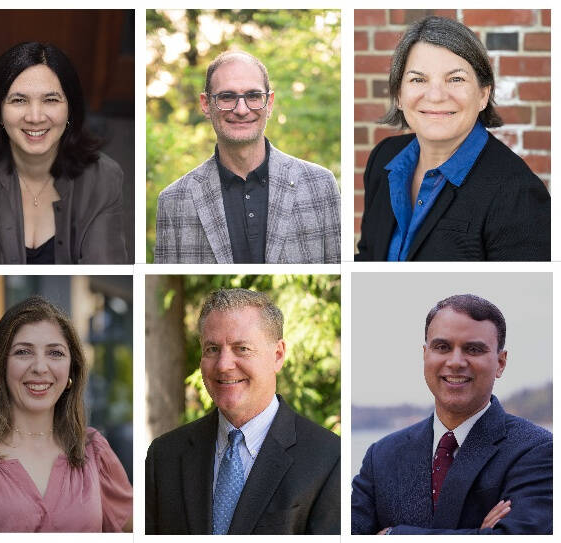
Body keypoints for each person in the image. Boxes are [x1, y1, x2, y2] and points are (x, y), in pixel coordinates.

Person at [351, 294, 552, 534]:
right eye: (442, 347)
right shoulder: (381, 457)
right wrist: (479, 534)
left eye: (473, 349)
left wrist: (394, 535)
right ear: (425, 354)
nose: (456, 362)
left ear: (500, 362)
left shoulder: (537, 450)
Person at [146, 288, 340, 534]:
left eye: (242, 349)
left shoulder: (328, 458)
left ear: (278, 355)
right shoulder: (164, 456)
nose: (224, 365)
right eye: (212, 349)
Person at [355, 16, 550, 261]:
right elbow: (368, 255)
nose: (436, 96)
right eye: (418, 79)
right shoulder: (384, 158)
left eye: (455, 79)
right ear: (398, 96)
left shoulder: (517, 193)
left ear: (483, 94)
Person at [0, 296, 133, 532]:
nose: (40, 367)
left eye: (55, 353)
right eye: (23, 352)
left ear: (72, 369)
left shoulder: (94, 451)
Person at [154, 51, 340, 264]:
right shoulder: (173, 201)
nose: (241, 110)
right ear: (206, 104)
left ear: (269, 103)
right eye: (227, 97)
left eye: (253, 96)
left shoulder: (320, 186)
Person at [0, 42, 128, 264]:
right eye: (19, 100)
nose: (35, 117)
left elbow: (105, 264)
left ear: (70, 109)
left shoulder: (104, 176)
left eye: (51, 100)